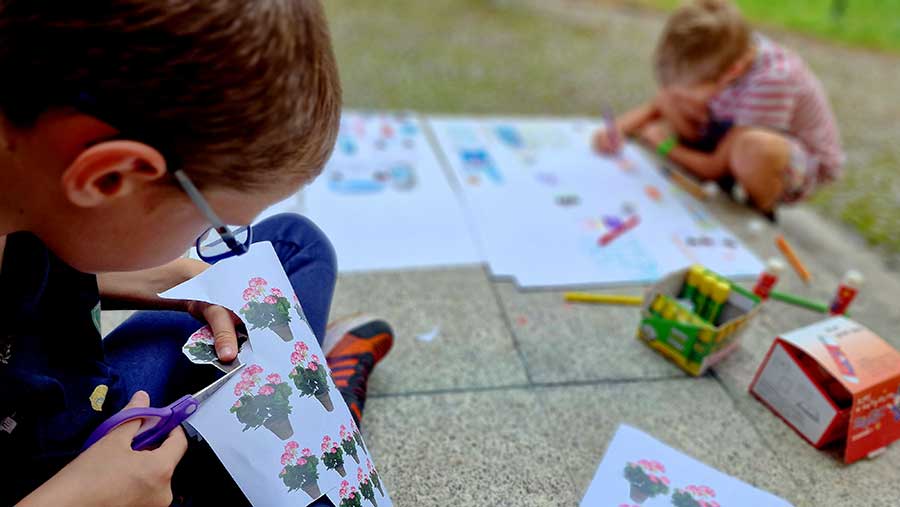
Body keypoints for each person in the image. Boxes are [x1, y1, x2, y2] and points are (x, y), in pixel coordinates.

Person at [0, 2, 391, 505]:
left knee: (294, 243)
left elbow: (28, 278)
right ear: (109, 177)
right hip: (59, 482)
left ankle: (314, 412)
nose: (215, 236)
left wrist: (173, 282)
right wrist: (88, 496)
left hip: (81, 397)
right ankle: (324, 414)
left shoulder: (25, 176)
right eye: (212, 223)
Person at [593, 0, 844, 216]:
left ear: (732, 72)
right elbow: (663, 100)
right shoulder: (726, 50)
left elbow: (714, 168)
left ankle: (755, 210)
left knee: (754, 150)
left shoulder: (773, 80)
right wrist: (619, 128)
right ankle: (707, 151)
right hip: (734, 128)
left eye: (691, 90)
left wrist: (664, 144)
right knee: (675, 99)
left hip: (795, 166)